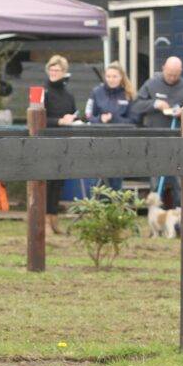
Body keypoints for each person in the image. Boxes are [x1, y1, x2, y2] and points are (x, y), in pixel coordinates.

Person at [130, 56, 183, 206]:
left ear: (181, 71)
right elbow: (135, 106)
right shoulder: (151, 84)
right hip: (156, 140)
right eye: (169, 74)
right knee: (156, 182)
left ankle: (181, 214)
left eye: (176, 75)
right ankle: (155, 214)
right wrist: (154, 104)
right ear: (163, 68)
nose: (172, 78)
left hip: (179, 142)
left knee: (180, 182)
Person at [84, 61, 137, 190]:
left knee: (116, 179)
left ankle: (115, 201)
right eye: (108, 76)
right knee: (97, 179)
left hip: (120, 142)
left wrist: (114, 118)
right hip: (98, 141)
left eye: (114, 76)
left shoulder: (128, 94)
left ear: (121, 77)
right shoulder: (96, 92)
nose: (111, 79)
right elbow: (88, 115)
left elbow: (134, 120)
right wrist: (100, 119)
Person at [43, 55, 76, 234]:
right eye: (51, 69)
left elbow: (74, 113)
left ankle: (54, 217)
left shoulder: (68, 95)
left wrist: (72, 118)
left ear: (64, 72)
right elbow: (38, 118)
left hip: (63, 143)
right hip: (46, 142)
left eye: (57, 70)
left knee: (58, 183)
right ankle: (44, 221)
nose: (54, 73)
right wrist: (58, 121)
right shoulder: (43, 92)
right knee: (46, 184)